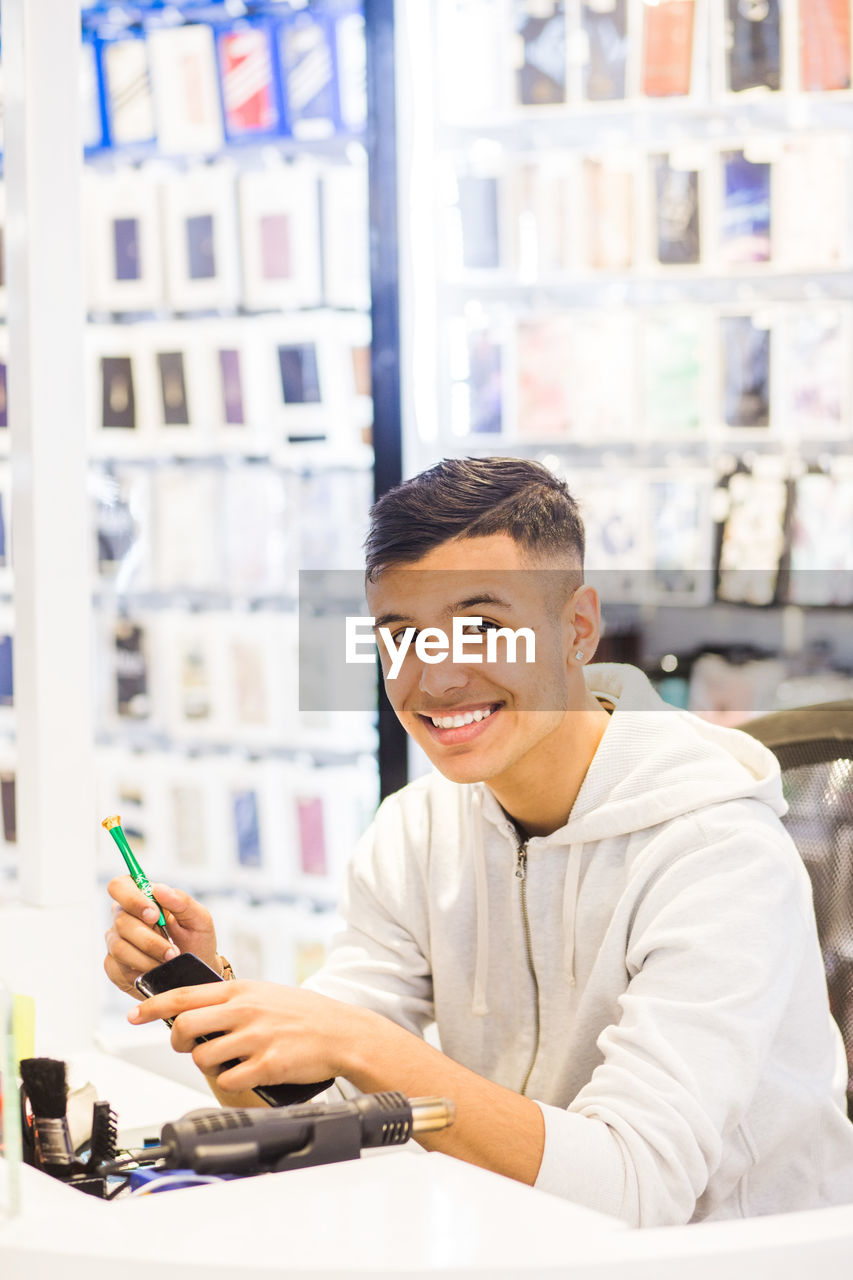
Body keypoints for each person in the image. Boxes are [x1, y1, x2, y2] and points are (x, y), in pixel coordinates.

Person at [104, 456, 853, 1227]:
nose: (434, 681)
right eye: (401, 639)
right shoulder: (415, 829)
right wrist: (212, 998)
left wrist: (364, 1045)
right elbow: (316, 1118)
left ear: (578, 629)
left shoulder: (716, 850)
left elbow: (635, 1188)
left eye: (480, 630)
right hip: (520, 1238)